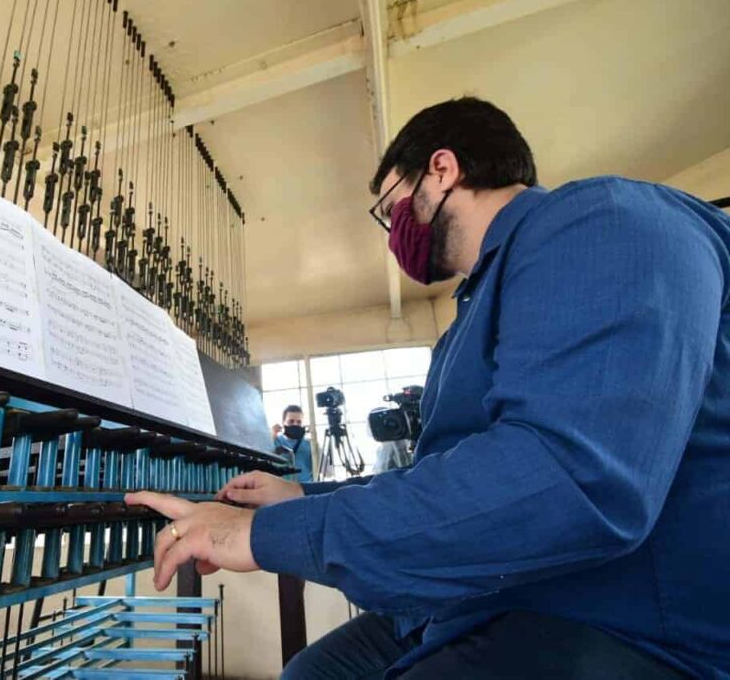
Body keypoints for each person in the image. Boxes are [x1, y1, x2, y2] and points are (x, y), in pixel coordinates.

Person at [126, 97, 730, 678]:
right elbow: (447, 471)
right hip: (490, 596)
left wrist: (265, 535)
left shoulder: (603, 222)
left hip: (614, 621)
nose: (392, 233)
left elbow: (567, 480)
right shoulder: (474, 312)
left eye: (390, 208)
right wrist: (300, 496)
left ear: (441, 170)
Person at [272, 404, 314, 483]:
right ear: (283, 422)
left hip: (304, 489)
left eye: (299, 422)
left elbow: (328, 471)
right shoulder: (275, 441)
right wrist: (271, 437)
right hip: (281, 489)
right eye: (291, 421)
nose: (295, 424)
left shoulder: (309, 444)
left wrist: (316, 445)